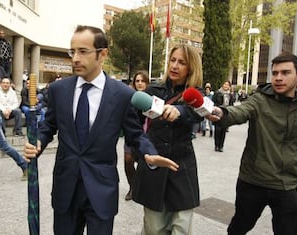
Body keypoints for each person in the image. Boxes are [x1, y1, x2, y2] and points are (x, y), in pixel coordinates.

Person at [22, 25, 179, 235]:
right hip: (65, 187)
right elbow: (49, 126)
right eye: (72, 51)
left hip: (101, 190)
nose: (75, 58)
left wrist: (149, 154)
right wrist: (38, 142)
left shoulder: (122, 95)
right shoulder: (59, 90)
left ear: (102, 54)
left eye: (83, 51)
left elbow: (135, 134)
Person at [210, 52, 297, 235]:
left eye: (285, 72)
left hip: (286, 184)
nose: (278, 78)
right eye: (275, 73)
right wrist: (220, 113)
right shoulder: (259, 99)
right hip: (253, 181)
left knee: (290, 227)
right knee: (240, 226)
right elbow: (239, 112)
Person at [132, 44, 204, 235]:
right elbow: (134, 126)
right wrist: (142, 153)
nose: (175, 65)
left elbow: (195, 113)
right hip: (154, 167)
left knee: (181, 228)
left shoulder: (195, 94)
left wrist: (178, 111)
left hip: (182, 169)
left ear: (191, 67)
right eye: (173, 60)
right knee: (154, 229)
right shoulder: (152, 90)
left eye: (182, 62)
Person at [123, 70, 150, 201]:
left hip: (147, 135)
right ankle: (132, 187)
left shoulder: (152, 97)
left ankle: (142, 188)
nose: (139, 83)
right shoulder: (130, 97)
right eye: (137, 81)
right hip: (131, 135)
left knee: (143, 164)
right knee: (128, 161)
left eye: (142, 81)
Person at [212, 80, 234, 152]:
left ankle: (221, 146)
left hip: (226, 114)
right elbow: (213, 102)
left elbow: (231, 105)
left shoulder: (230, 95)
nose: (226, 86)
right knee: (217, 130)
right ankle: (216, 145)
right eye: (225, 84)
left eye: (227, 85)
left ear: (229, 86)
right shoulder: (217, 92)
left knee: (223, 131)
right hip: (218, 113)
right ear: (222, 85)